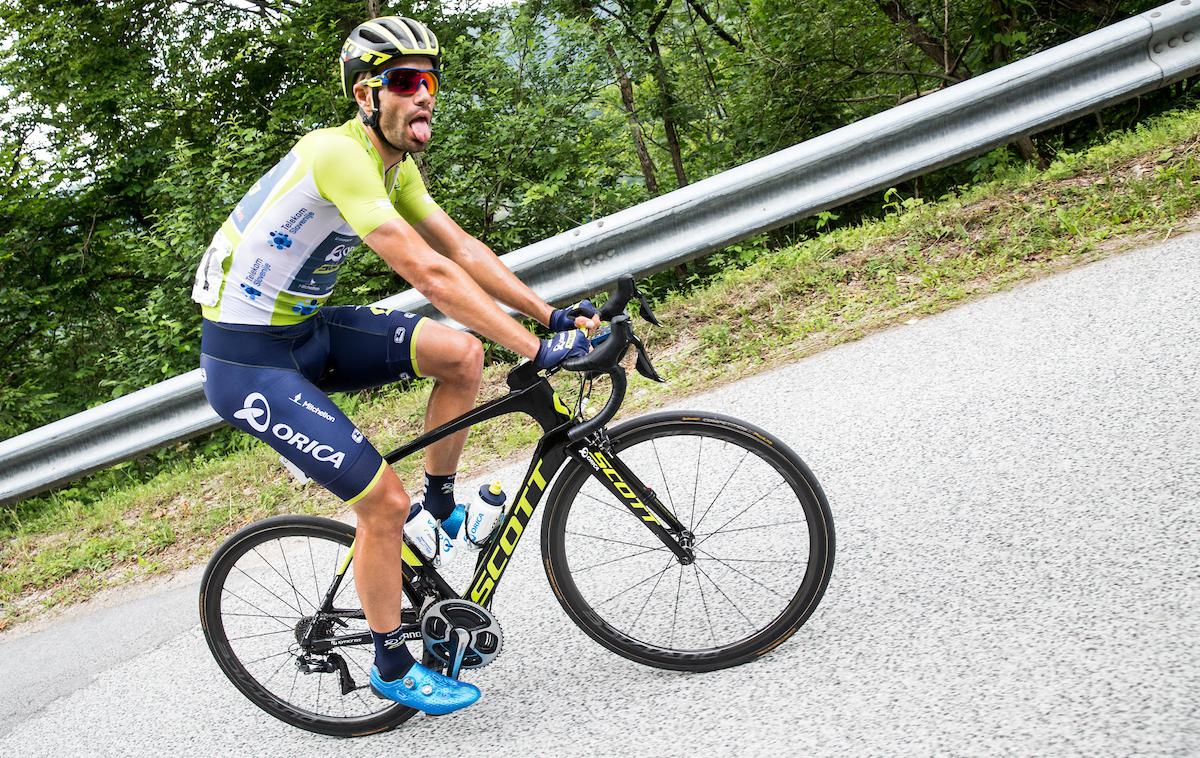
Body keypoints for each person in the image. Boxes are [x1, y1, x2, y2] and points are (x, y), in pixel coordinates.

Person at [191, 15, 599, 716]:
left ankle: (441, 507)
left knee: (460, 353)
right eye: (405, 83)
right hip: (247, 360)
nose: (424, 96)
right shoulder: (337, 153)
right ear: (364, 95)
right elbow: (430, 275)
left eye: (430, 82)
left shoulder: (395, 164)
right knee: (381, 503)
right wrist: (534, 352)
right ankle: (389, 660)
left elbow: (462, 248)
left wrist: (549, 316)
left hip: (305, 332)